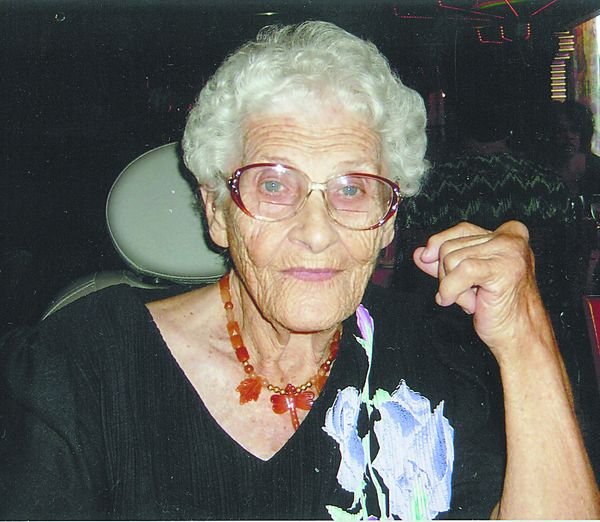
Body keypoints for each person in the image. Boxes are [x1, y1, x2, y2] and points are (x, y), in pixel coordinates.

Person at [0, 22, 598, 520]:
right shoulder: (81, 365)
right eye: (273, 184)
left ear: (388, 221)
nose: (316, 232)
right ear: (218, 212)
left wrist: (525, 338)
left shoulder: (432, 355)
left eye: (352, 188)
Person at [548, 100, 600, 203]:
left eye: (574, 130)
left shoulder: (596, 168)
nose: (568, 136)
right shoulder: (542, 171)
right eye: (561, 130)